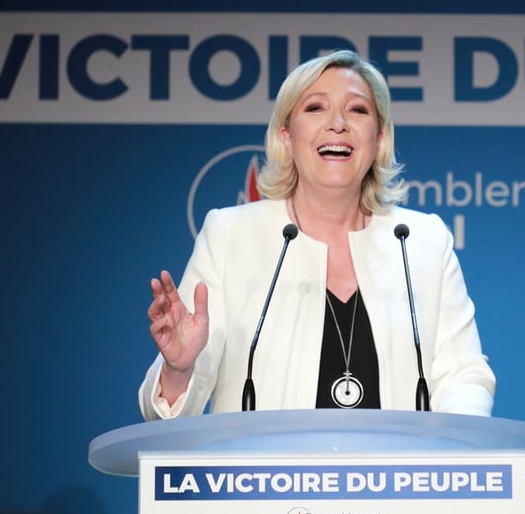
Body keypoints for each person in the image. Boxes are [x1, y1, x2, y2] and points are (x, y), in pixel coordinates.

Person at [139, 50, 496, 419]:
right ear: (287, 136)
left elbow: (463, 376)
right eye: (315, 108)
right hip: (263, 476)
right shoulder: (231, 235)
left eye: (357, 110)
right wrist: (178, 370)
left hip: (397, 476)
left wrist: (456, 457)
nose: (338, 123)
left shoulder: (422, 241)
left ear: (378, 140)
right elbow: (169, 414)